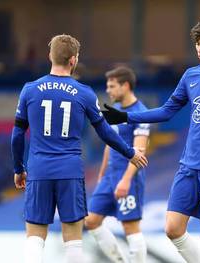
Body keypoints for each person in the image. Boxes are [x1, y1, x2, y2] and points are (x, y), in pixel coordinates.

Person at [101, 18, 200, 263]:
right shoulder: (190, 76)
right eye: (198, 44)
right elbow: (167, 111)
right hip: (188, 163)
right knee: (173, 228)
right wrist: (126, 116)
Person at [11, 34, 148, 263]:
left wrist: (18, 168)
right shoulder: (84, 93)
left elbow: (17, 135)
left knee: (35, 236)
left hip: (39, 169)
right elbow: (104, 131)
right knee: (73, 239)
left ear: (49, 56)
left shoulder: (30, 89)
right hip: (70, 172)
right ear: (74, 60)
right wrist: (130, 152)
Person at [84, 66, 150, 263]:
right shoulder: (116, 111)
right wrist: (102, 174)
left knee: (130, 226)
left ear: (125, 86)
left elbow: (140, 152)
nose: (108, 90)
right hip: (110, 176)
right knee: (92, 221)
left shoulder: (141, 113)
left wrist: (126, 180)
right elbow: (109, 145)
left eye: (112, 86)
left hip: (128, 177)